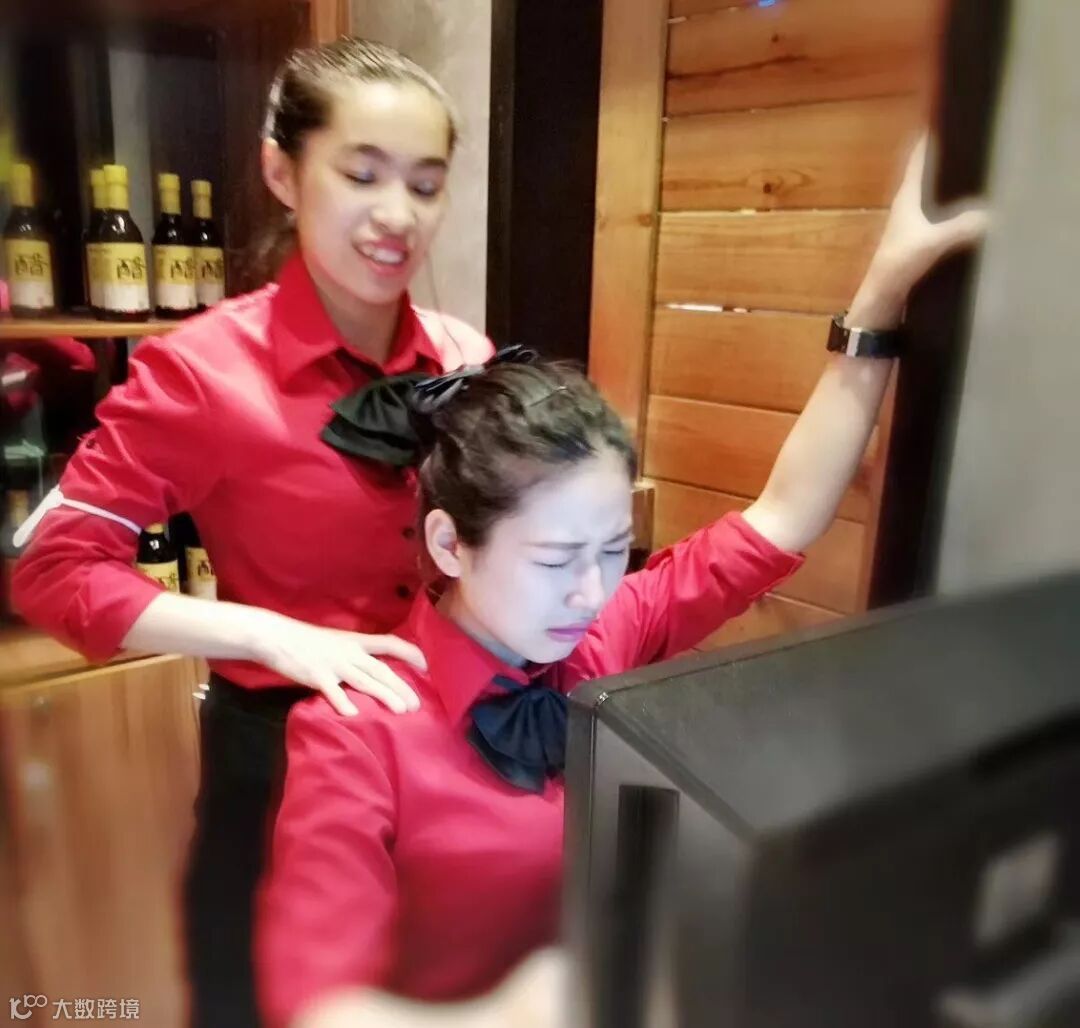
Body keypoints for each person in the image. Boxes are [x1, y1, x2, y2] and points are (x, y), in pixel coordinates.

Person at [255, 140, 987, 1027]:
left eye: (612, 550)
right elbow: (319, 1008)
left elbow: (786, 514)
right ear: (449, 544)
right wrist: (503, 1015)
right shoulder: (355, 731)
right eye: (555, 559)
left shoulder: (605, 633)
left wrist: (879, 298)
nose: (591, 591)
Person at [11, 38, 493, 1027]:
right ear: (283, 171)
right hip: (281, 766)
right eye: (361, 174)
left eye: (425, 184)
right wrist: (271, 634)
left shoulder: (465, 356)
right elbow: (51, 569)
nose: (397, 214)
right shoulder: (202, 370)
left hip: (453, 753)